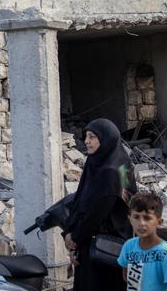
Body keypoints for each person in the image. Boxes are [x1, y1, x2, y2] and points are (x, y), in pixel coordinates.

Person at [63, 118, 137, 291]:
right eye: (86, 136)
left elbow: (96, 214)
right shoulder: (103, 162)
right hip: (99, 244)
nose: (87, 141)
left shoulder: (110, 172)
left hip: (104, 249)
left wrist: (75, 240)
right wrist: (68, 230)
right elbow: (80, 199)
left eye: (92, 137)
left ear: (106, 139)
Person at [118, 193, 167, 291]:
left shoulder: (164, 254)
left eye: (147, 218)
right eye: (136, 217)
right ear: (130, 219)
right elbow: (126, 277)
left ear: (159, 222)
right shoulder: (128, 246)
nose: (141, 223)